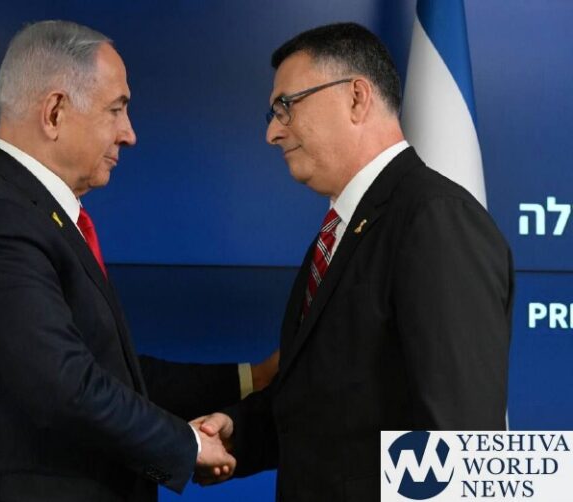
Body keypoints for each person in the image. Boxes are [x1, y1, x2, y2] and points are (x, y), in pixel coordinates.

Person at [0, 20, 277, 502]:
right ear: (54, 112)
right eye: (116, 109)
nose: (129, 134)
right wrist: (187, 446)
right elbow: (63, 383)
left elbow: (108, 371)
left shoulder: (27, 210)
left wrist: (249, 380)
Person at [196, 22, 513, 500]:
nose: (272, 132)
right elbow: (331, 405)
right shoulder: (343, 230)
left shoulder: (434, 218)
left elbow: (461, 440)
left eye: (286, 106)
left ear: (356, 98)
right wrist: (238, 432)